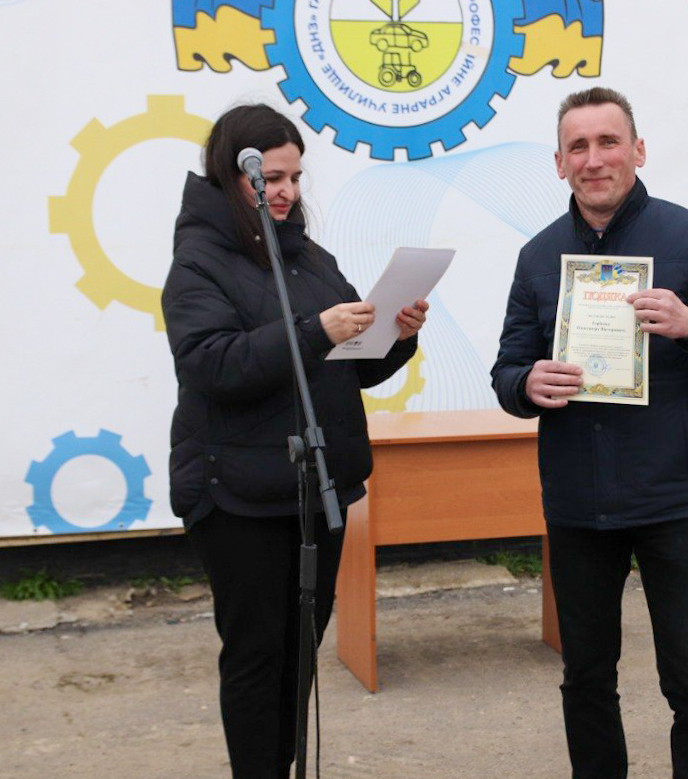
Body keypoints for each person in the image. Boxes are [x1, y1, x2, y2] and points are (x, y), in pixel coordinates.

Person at [491, 87, 688, 778]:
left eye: (608, 142)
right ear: (559, 163)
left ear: (638, 150)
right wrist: (526, 385)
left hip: (677, 497)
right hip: (578, 502)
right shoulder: (538, 256)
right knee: (586, 679)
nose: (594, 160)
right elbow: (507, 370)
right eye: (578, 147)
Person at [162, 103, 428, 778]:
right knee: (257, 656)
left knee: (300, 650)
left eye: (294, 177)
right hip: (238, 495)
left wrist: (395, 333)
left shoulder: (309, 257)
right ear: (231, 176)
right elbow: (213, 365)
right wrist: (315, 331)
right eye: (271, 179)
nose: (285, 192)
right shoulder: (198, 263)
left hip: (314, 489)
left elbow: (351, 366)